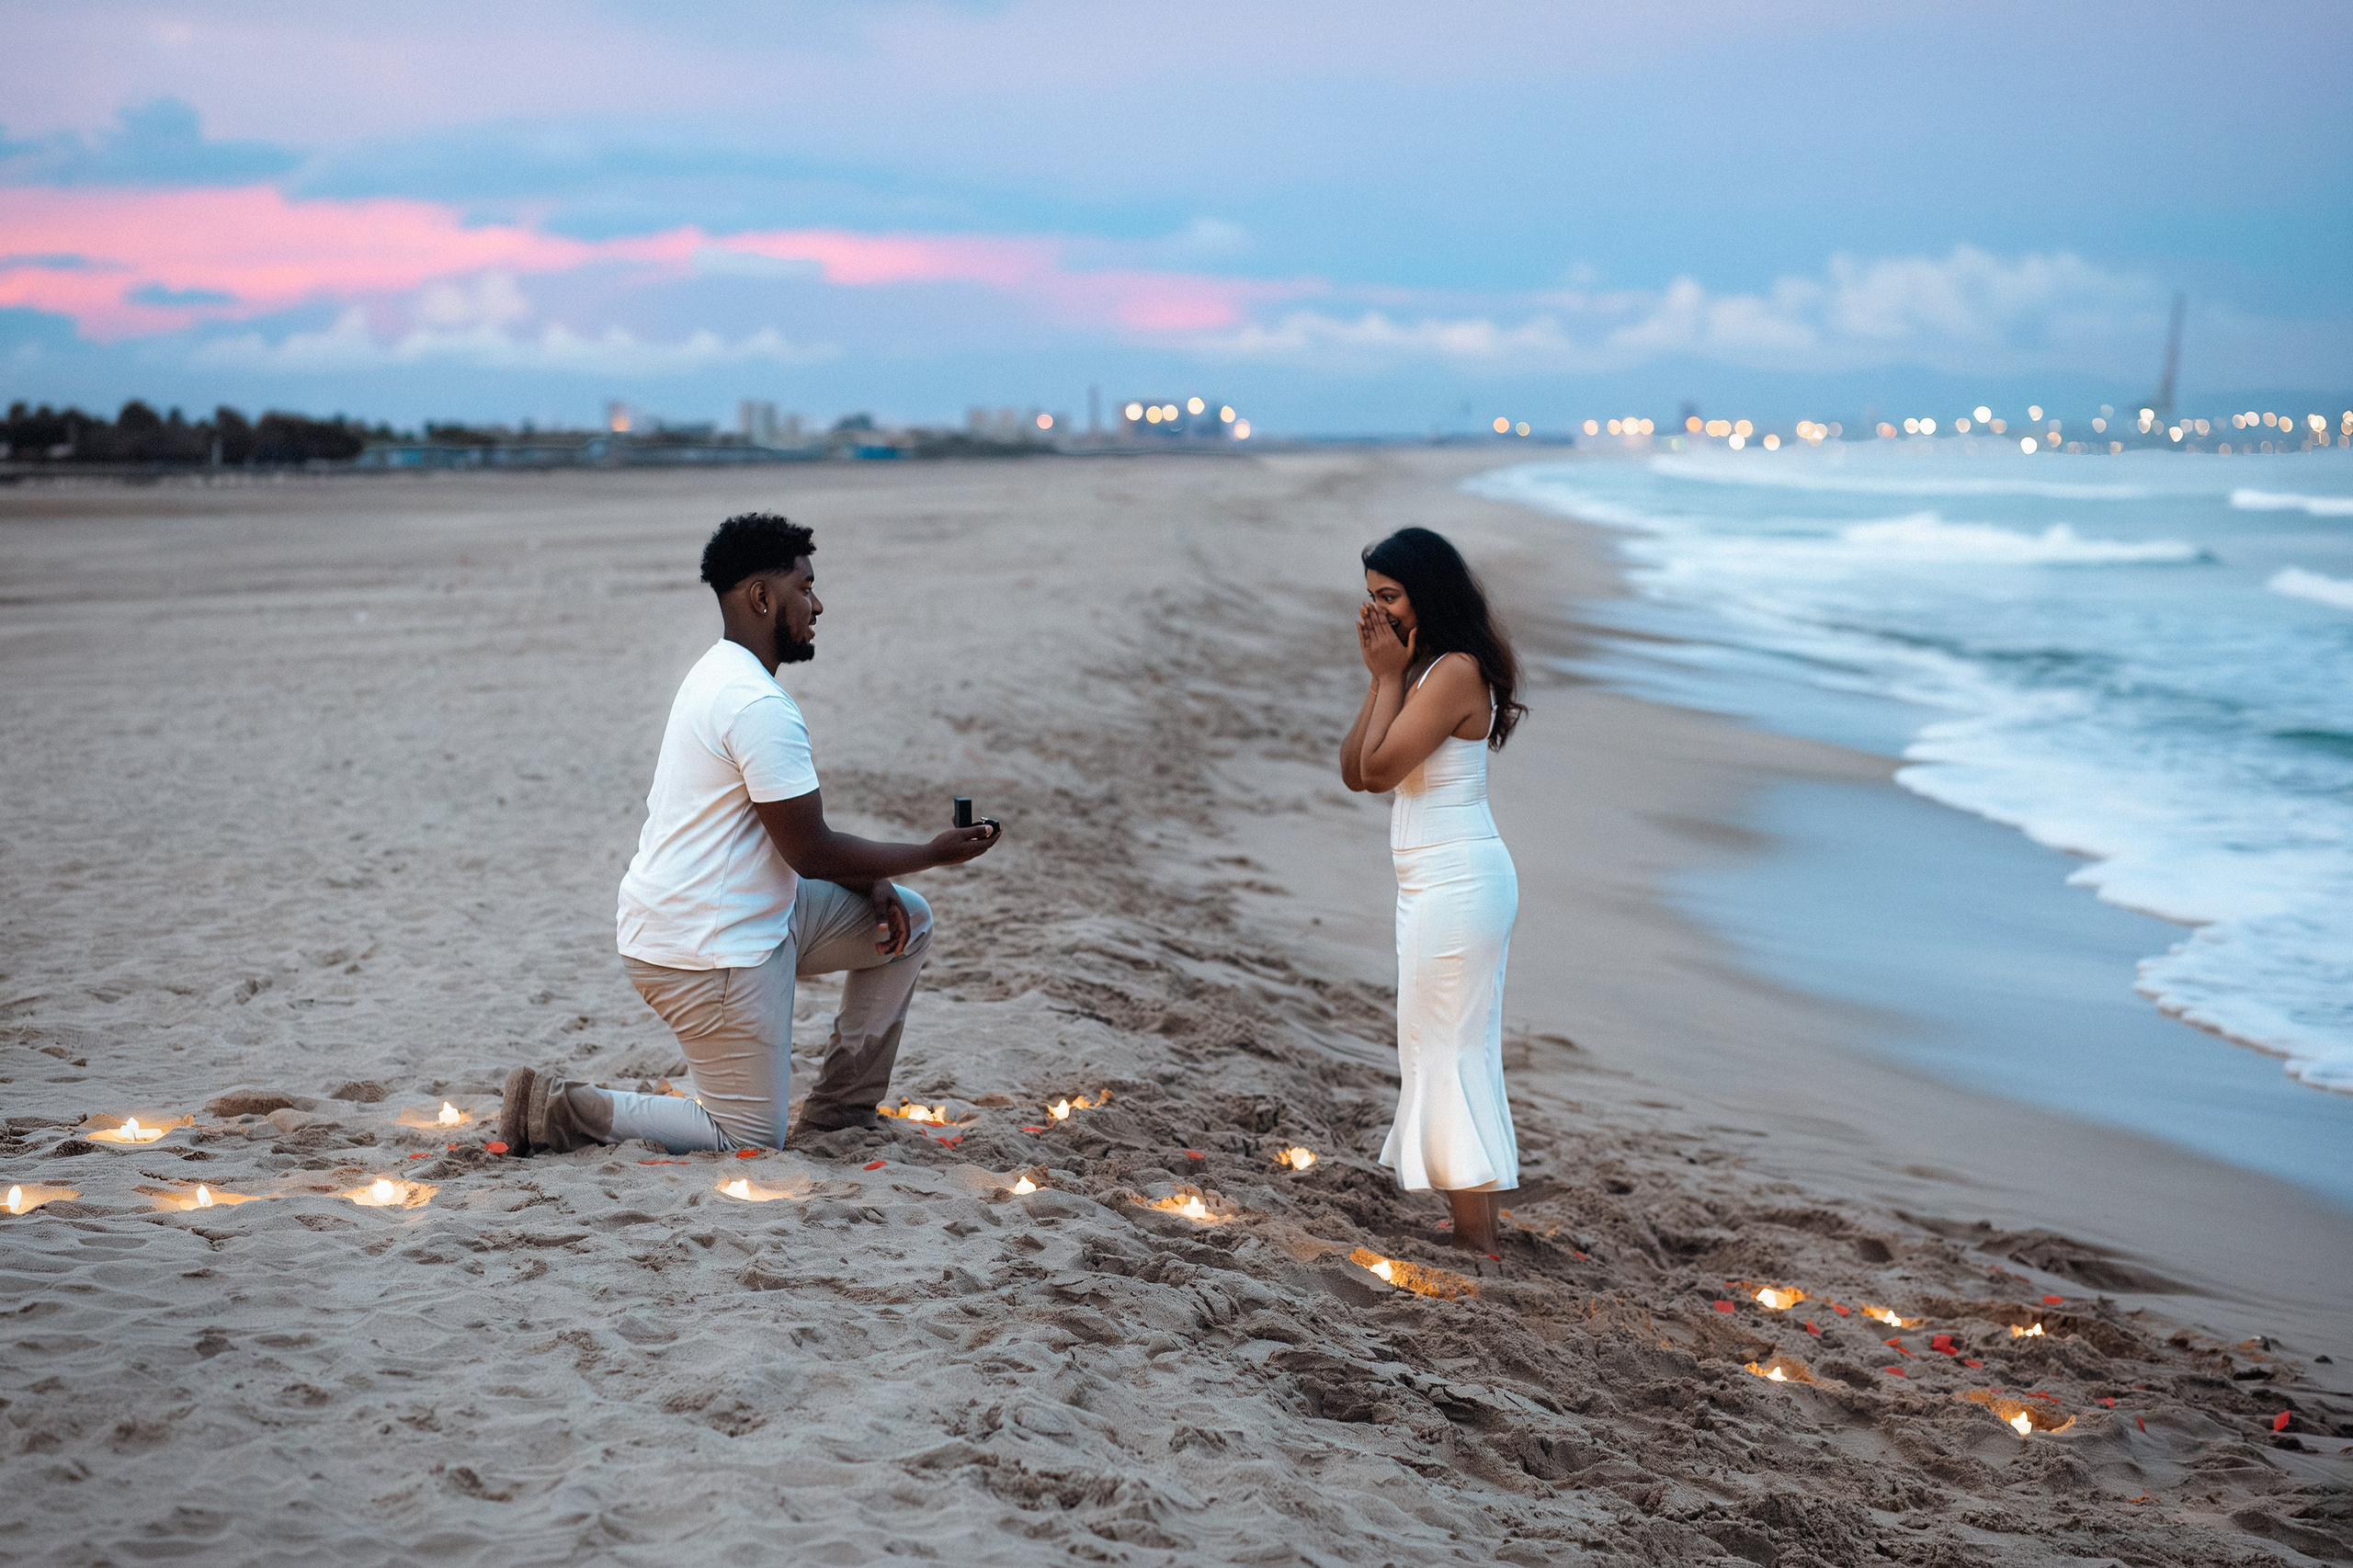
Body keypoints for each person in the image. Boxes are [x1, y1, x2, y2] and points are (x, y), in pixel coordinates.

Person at [499, 512, 999, 1156]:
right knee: (747, 1137)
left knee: (908, 922)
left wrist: (877, 880)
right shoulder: (756, 705)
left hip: (726, 918)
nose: (818, 605)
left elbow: (789, 839)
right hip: (707, 950)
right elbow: (810, 849)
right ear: (763, 597)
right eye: (805, 588)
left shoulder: (720, 672)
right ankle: (561, 1110)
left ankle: (840, 1113)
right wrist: (932, 854)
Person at [1339, 526, 1528, 1256]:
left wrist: (1388, 680)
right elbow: (1355, 771)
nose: (1377, 614)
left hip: (1460, 880)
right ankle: (1473, 1227)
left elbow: (1383, 772)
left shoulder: (1453, 670)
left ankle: (1476, 1238)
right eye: (1371, 599)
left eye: (1389, 597)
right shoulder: (1420, 669)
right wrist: (1381, 677)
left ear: (1429, 592)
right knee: (1435, 1047)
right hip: (1431, 882)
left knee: (1450, 1050)